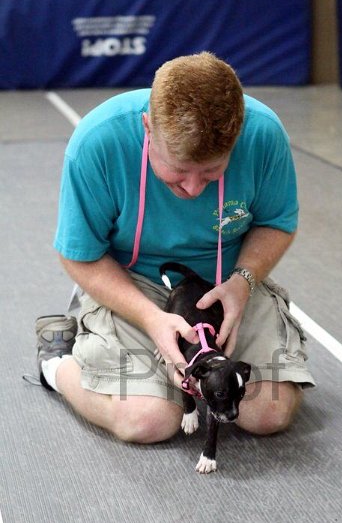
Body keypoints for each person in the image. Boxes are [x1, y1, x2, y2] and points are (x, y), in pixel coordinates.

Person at [36, 52, 315, 443]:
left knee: (268, 413)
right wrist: (150, 318)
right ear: (148, 127)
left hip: (225, 281)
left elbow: (276, 224)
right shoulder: (98, 141)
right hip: (134, 280)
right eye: (178, 171)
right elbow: (79, 254)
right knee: (147, 422)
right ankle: (56, 363)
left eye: (212, 172)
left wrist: (243, 283)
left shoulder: (263, 133)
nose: (193, 189)